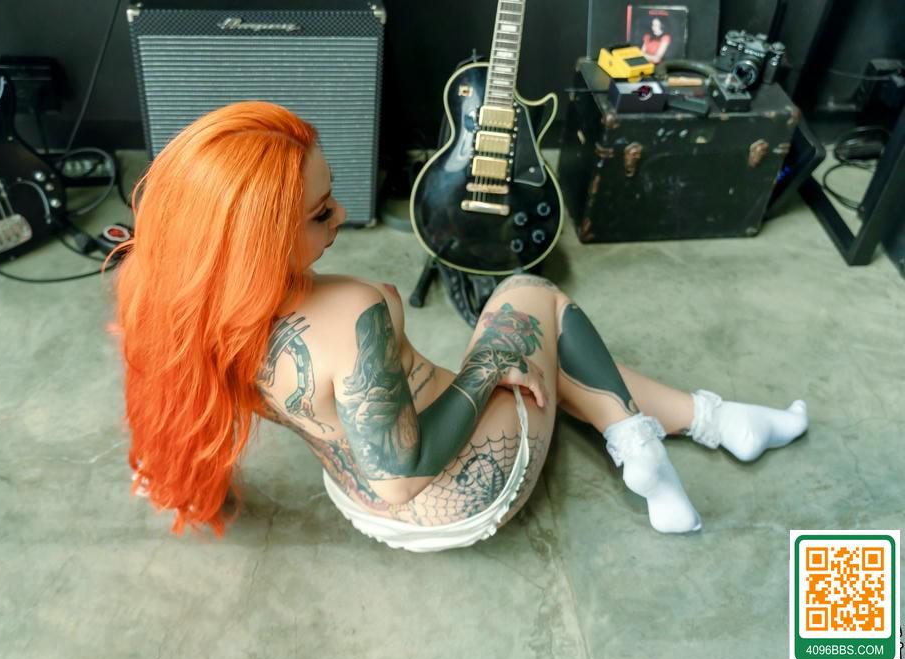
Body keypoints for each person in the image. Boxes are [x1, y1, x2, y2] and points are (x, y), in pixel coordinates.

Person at [114, 102, 808, 552]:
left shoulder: (180, 303)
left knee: (535, 347)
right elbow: (401, 477)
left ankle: (716, 420)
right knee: (530, 297)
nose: (343, 216)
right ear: (255, 243)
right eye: (321, 213)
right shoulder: (350, 311)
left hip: (360, 503)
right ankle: (640, 442)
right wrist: (482, 373)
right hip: (456, 490)